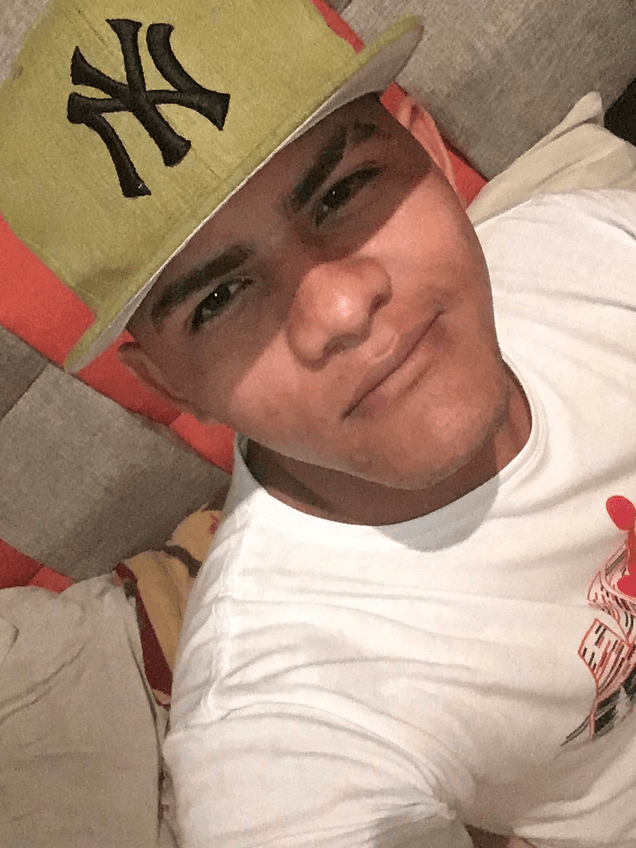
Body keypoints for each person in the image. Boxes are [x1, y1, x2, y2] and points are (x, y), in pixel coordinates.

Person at [2, 1, 636, 847]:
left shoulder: (589, 245)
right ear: (171, 384)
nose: (339, 308)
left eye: (341, 193)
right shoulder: (277, 719)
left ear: (431, 154)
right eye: (219, 298)